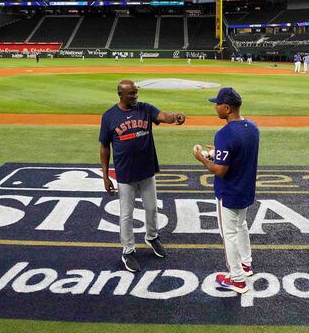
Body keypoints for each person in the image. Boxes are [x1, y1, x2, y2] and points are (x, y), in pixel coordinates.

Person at [99, 79, 187, 272]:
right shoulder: (109, 117)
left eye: (136, 92)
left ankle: (152, 237)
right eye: (131, 93)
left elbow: (163, 115)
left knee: (152, 208)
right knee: (126, 214)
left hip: (147, 170)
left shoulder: (145, 109)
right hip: (125, 174)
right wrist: (105, 176)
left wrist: (175, 117)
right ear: (120, 94)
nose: (135, 96)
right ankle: (128, 250)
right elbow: (104, 147)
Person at [193, 87, 259, 295]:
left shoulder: (224, 133)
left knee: (228, 234)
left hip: (229, 192)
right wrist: (215, 152)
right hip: (246, 189)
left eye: (218, 104)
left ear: (227, 108)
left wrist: (203, 159)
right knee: (241, 226)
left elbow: (220, 170)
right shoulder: (252, 128)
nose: (215, 107)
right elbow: (238, 153)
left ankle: (238, 279)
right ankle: (246, 264)